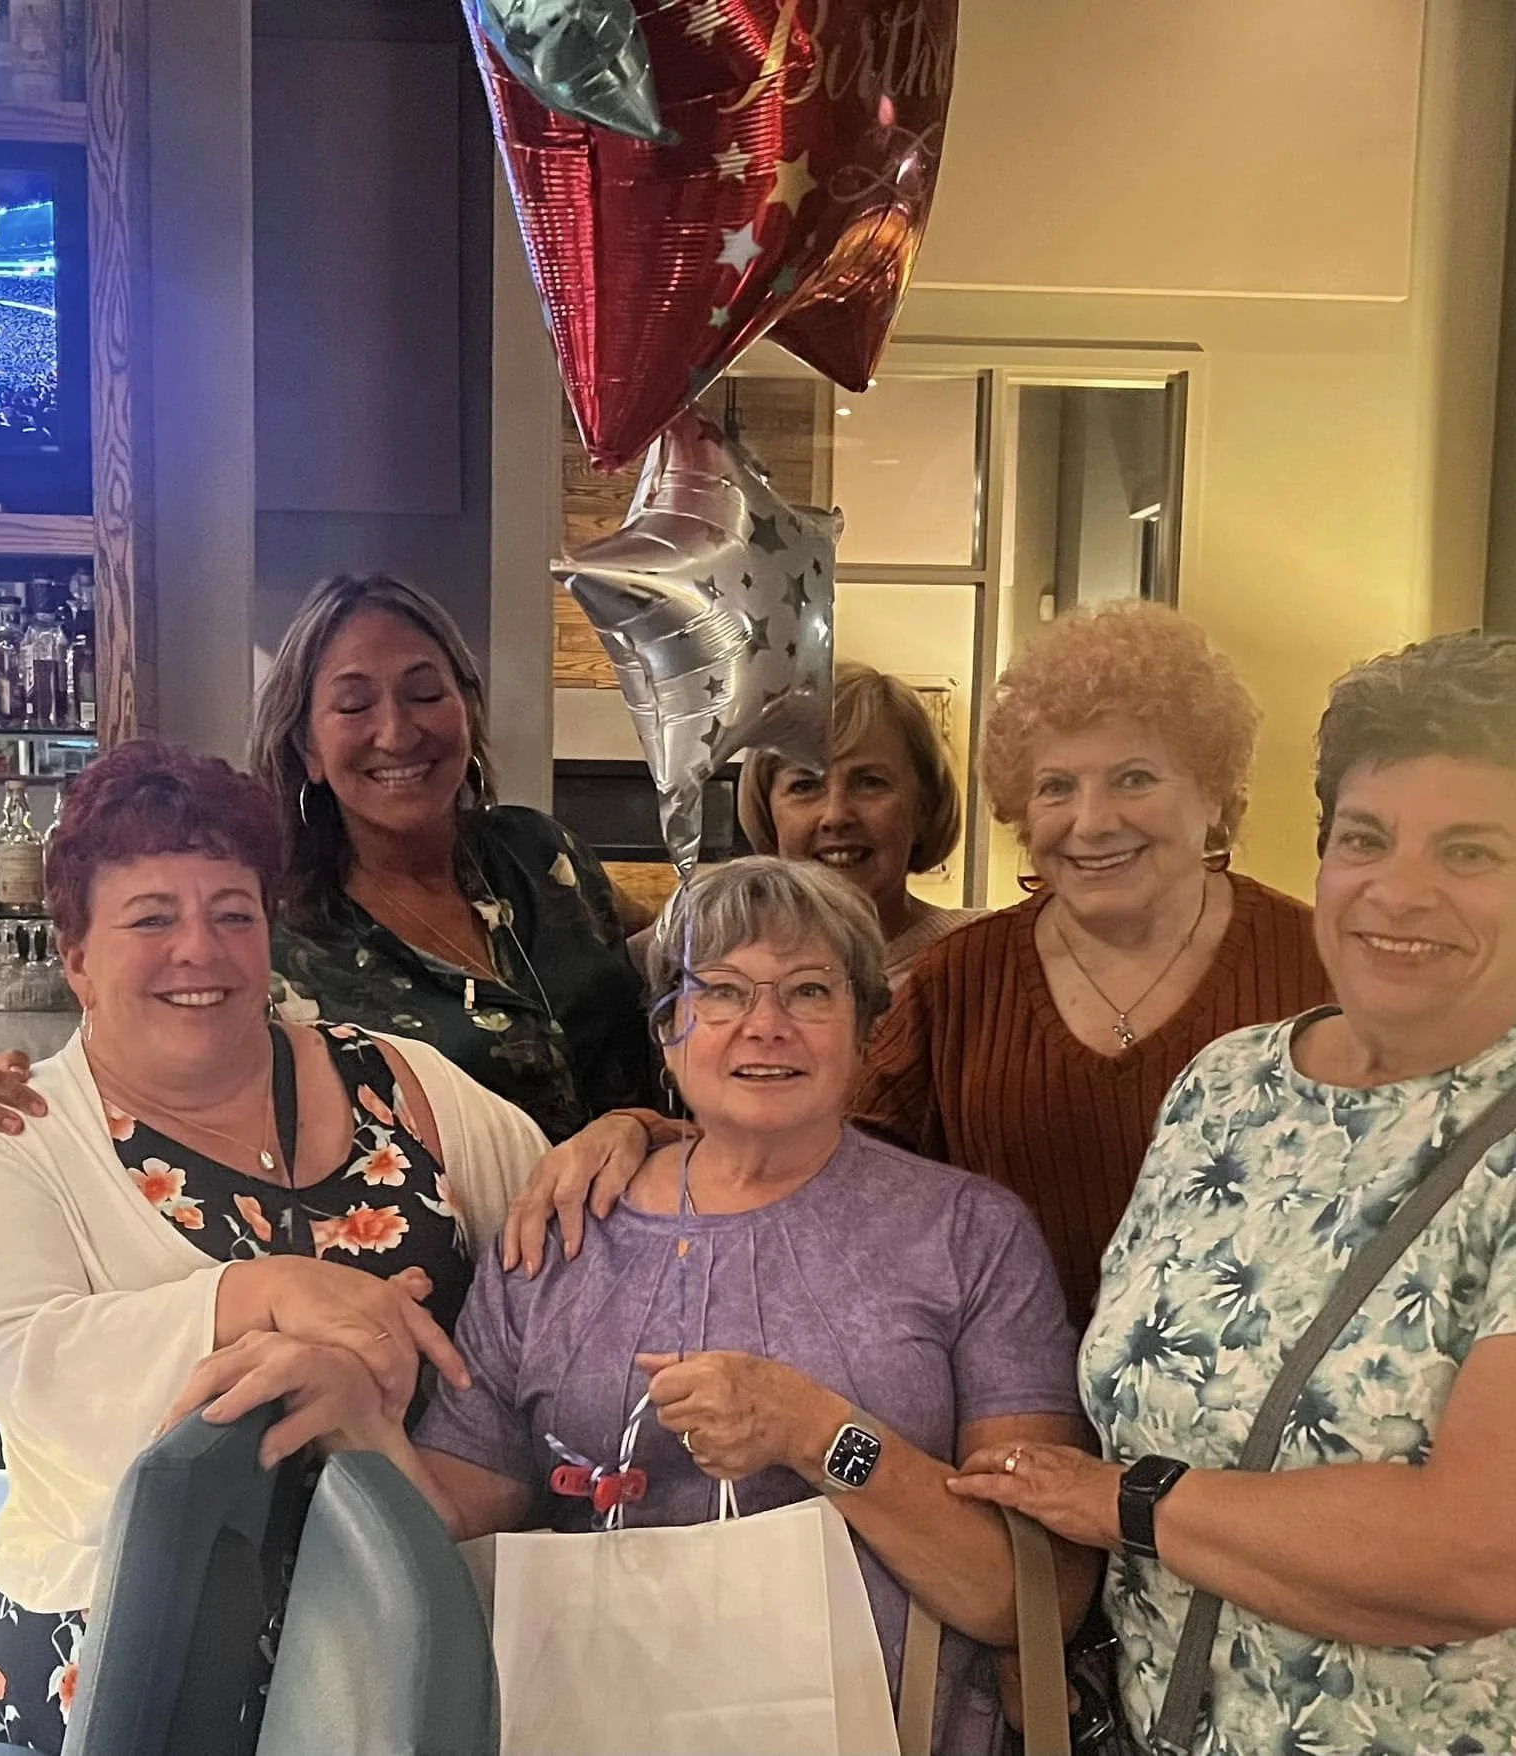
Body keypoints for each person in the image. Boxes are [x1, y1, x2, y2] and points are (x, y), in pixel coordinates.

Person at [946, 633, 1516, 1753]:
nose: (1398, 889)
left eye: (1467, 852)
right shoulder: (1227, 1088)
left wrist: (1128, 1502)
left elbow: (1506, 1543)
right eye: (1363, 839)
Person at [176, 856, 1096, 1756]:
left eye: (810, 991)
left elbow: (1026, 1594)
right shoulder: (560, 1232)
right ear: (666, 1029)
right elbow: (462, 1514)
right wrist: (362, 1426)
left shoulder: (968, 1234)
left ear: (866, 1027)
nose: (764, 1025)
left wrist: (816, 1433)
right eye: (723, 992)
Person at [0, 743, 550, 1753]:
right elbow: (26, 1363)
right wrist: (258, 1292)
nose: (198, 949)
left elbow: (563, 1247)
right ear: (75, 953)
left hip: (421, 1615)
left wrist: (632, 1139)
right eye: (151, 917)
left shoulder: (402, 1080)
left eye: (230, 912)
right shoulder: (6, 1137)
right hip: (132, 1656)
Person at [518, 603, 1329, 1316]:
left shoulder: (1320, 969)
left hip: (1251, 1438)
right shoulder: (962, 980)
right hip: (998, 1399)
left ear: (1213, 790)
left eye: (1135, 778)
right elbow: (811, 1155)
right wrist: (642, 1130)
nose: (1091, 821)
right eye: (1055, 788)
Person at [0, 573, 656, 1185]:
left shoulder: (541, 850)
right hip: (452, 1297)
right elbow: (131, 1063)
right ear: (306, 747)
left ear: (468, 706)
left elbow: (666, 961)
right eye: (354, 705)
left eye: (426, 693)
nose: (398, 732)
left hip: (669, 1252)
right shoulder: (272, 926)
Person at [738, 660, 984, 978]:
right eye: (805, 786)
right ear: (767, 810)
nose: (836, 815)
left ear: (924, 807)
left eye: (869, 782)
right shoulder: (715, 962)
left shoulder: (985, 960)